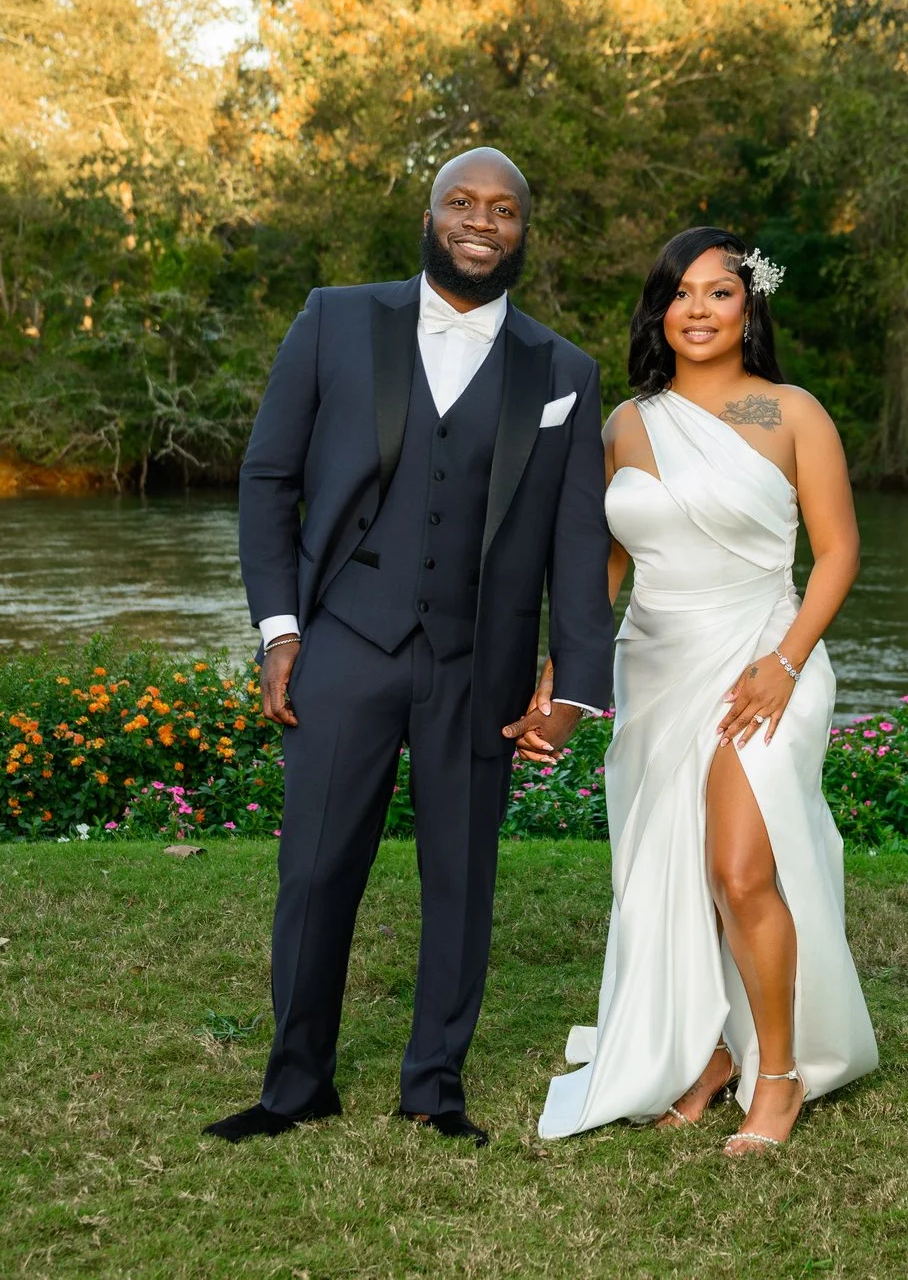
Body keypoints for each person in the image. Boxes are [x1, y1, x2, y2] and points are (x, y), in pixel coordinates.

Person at [207, 147, 614, 1149]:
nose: (483, 220)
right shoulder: (335, 320)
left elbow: (578, 538)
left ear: (524, 231)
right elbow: (267, 480)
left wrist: (576, 685)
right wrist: (279, 626)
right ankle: (296, 1083)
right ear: (429, 215)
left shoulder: (564, 371)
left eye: (505, 209)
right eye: (462, 203)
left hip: (483, 665)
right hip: (344, 641)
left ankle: (433, 1086)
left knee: (462, 879)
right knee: (312, 870)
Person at [532, 226, 877, 1154]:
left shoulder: (791, 412)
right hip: (656, 661)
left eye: (719, 292)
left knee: (737, 866)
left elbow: (839, 551)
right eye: (680, 292)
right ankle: (706, 1057)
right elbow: (600, 578)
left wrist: (788, 660)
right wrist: (560, 681)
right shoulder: (626, 426)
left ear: (749, 307)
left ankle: (779, 1071)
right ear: (659, 308)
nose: (697, 308)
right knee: (672, 871)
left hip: (766, 654)